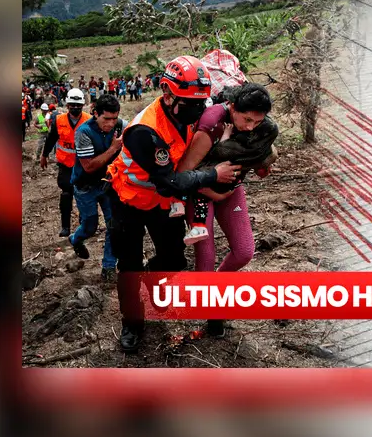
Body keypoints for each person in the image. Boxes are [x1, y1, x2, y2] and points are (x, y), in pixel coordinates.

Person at [106, 56, 240, 352]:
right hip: (128, 199)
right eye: (189, 104)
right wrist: (213, 174)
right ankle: (133, 323)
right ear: (167, 94)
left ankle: (153, 279)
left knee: (174, 259)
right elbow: (168, 180)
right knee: (128, 266)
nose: (197, 111)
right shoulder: (146, 131)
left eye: (200, 103)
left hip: (162, 202)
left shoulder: (193, 111)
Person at [177, 83, 276, 266]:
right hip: (200, 191)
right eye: (247, 120)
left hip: (231, 186)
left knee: (244, 252)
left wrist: (260, 165)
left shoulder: (259, 128)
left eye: (257, 122)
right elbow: (183, 172)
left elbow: (252, 155)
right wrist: (214, 192)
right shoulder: (212, 124)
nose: (251, 128)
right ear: (232, 106)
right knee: (206, 258)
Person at [69, 94, 125, 283]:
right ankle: (76, 239)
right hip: (85, 186)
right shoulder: (83, 132)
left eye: (114, 118)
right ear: (95, 113)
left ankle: (108, 266)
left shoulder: (120, 125)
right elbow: (89, 166)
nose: (110, 124)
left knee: (113, 225)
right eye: (106, 119)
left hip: (108, 184)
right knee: (90, 227)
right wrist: (113, 149)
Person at [40, 88, 92, 237]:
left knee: (83, 194)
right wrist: (44, 155)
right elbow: (51, 139)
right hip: (65, 165)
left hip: (83, 165)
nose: (75, 108)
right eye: (72, 105)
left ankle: (84, 223)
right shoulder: (59, 120)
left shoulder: (89, 120)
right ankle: (65, 227)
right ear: (67, 105)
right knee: (66, 194)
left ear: (82, 106)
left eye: (78, 105)